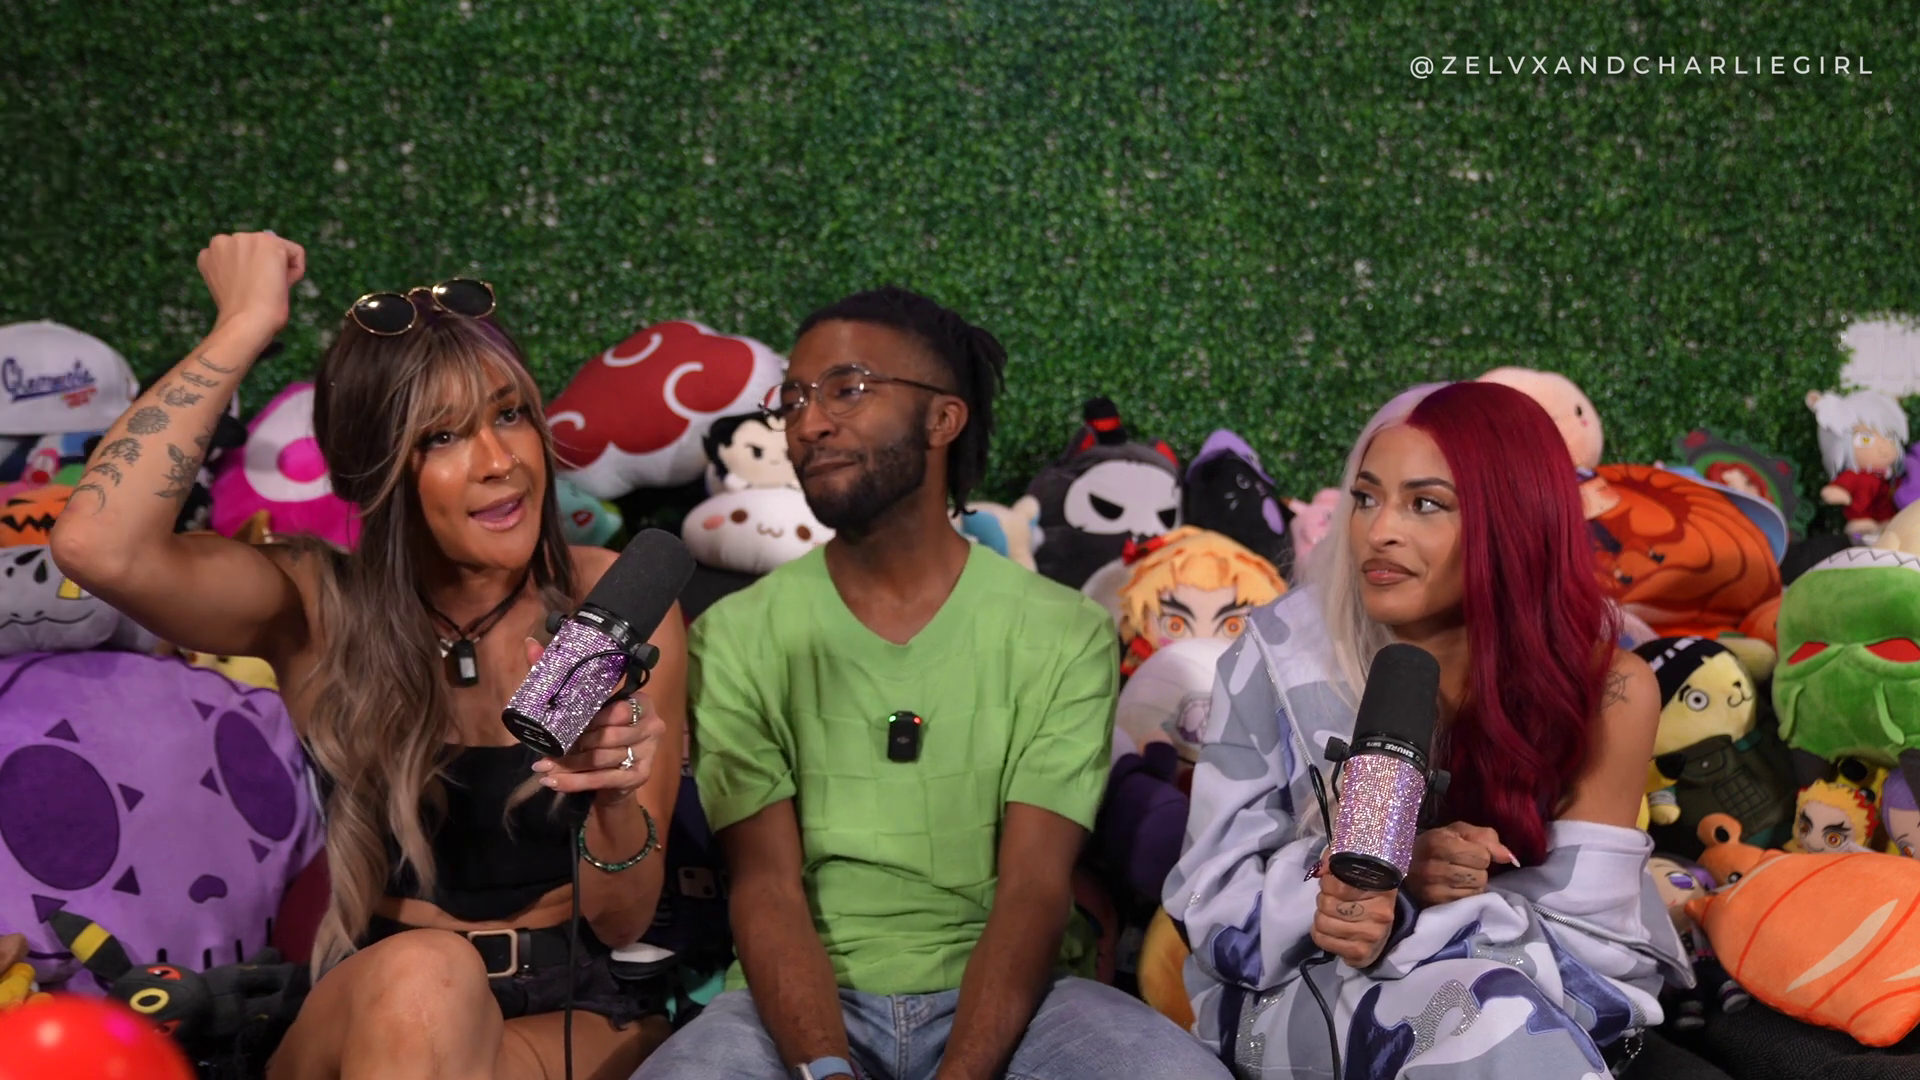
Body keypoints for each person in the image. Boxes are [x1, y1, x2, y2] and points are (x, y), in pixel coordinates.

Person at [50, 232, 686, 1079]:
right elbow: (96, 547)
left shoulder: (610, 602)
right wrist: (243, 324)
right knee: (427, 981)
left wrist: (609, 796)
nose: (500, 462)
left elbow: (621, 920)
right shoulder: (318, 605)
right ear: (371, 468)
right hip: (378, 997)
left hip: (571, 1004)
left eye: (508, 415)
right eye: (442, 437)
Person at [635, 287, 1232, 1080]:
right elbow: (765, 888)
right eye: (795, 398)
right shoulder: (734, 636)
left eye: (847, 389)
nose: (809, 423)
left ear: (942, 419)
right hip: (796, 1006)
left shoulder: (1065, 631)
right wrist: (824, 1070)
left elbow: (1032, 888)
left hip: (1021, 1003)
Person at [1163, 380, 1691, 1079]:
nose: (1379, 530)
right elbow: (1211, 907)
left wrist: (1426, 916)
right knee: (1484, 1012)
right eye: (1365, 497)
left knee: (1493, 1011)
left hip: (1536, 999)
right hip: (1299, 994)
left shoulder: (1610, 688)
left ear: (1514, 520)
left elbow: (1590, 948)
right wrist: (1383, 871)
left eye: (1426, 504)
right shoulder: (1276, 655)